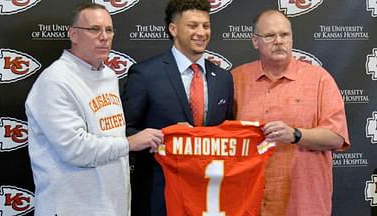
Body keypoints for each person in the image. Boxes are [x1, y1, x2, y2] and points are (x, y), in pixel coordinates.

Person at [25, 3, 163, 216]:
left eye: (109, 30)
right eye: (94, 29)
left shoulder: (108, 75)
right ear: (73, 35)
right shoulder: (55, 81)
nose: (104, 36)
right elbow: (74, 149)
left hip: (112, 206)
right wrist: (129, 143)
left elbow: (109, 135)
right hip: (70, 209)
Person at [231, 9, 350, 216]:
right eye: (269, 36)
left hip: (304, 203)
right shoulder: (235, 80)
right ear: (255, 41)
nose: (278, 41)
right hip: (249, 202)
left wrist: (296, 134)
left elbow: (337, 137)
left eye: (284, 35)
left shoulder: (320, 79)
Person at [121, 0, 234, 215]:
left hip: (208, 198)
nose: (201, 32)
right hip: (159, 195)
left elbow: (227, 132)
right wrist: (166, 137)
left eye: (206, 25)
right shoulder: (145, 74)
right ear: (173, 29)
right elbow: (124, 131)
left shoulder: (223, 79)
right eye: (193, 26)